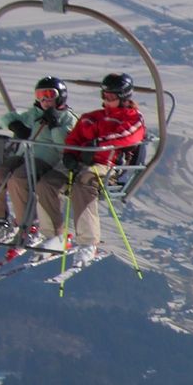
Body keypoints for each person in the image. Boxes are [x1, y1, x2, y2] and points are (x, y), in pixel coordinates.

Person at [46, 71, 146, 260]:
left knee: (84, 183)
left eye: (111, 97)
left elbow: (126, 137)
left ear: (124, 97)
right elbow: (74, 138)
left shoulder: (133, 118)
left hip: (107, 165)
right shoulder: (91, 117)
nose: (107, 100)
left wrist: (98, 144)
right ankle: (54, 235)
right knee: (47, 182)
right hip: (82, 162)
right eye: (104, 96)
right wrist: (70, 154)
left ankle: (88, 243)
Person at [0, 76, 75, 244]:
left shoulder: (68, 118)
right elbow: (7, 118)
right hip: (23, 156)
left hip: (46, 159)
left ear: (60, 96)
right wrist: (15, 125)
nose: (44, 100)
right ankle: (0, 221)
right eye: (40, 95)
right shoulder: (34, 114)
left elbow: (64, 145)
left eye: (49, 95)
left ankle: (30, 225)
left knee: (19, 178)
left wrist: (54, 125)